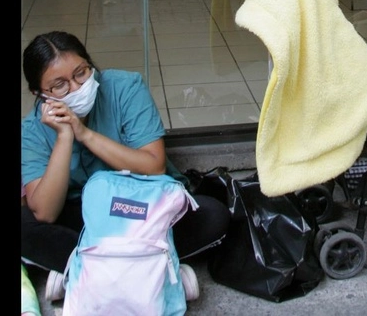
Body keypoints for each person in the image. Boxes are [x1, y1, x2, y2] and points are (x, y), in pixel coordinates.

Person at [21, 31, 230, 303]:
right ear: (39, 93)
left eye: (81, 73)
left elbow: (153, 166)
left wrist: (84, 134)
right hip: (83, 215)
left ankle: (79, 269)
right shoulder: (32, 128)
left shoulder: (125, 88)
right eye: (59, 85)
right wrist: (64, 136)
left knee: (213, 215)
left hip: (138, 208)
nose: (75, 88)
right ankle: (155, 269)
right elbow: (46, 213)